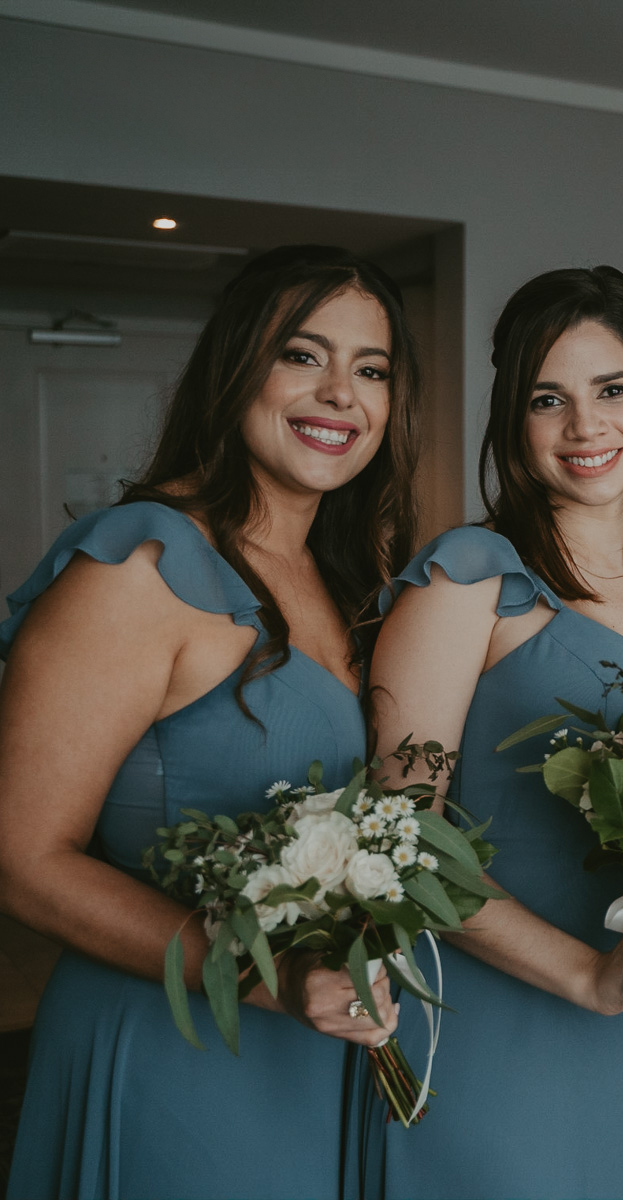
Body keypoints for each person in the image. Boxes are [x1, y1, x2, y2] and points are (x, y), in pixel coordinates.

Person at [0, 245, 420, 1198]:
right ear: (238, 367)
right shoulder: (136, 569)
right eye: (302, 356)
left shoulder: (352, 577)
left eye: (371, 370)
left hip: (312, 1049)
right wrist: (267, 975)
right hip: (173, 1038)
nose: (340, 395)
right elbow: (21, 857)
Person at [368, 265, 623, 1200]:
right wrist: (587, 977)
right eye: (548, 399)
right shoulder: (469, 580)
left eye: (612, 389)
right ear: (512, 422)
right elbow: (398, 841)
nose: (586, 427)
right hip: (507, 1025)